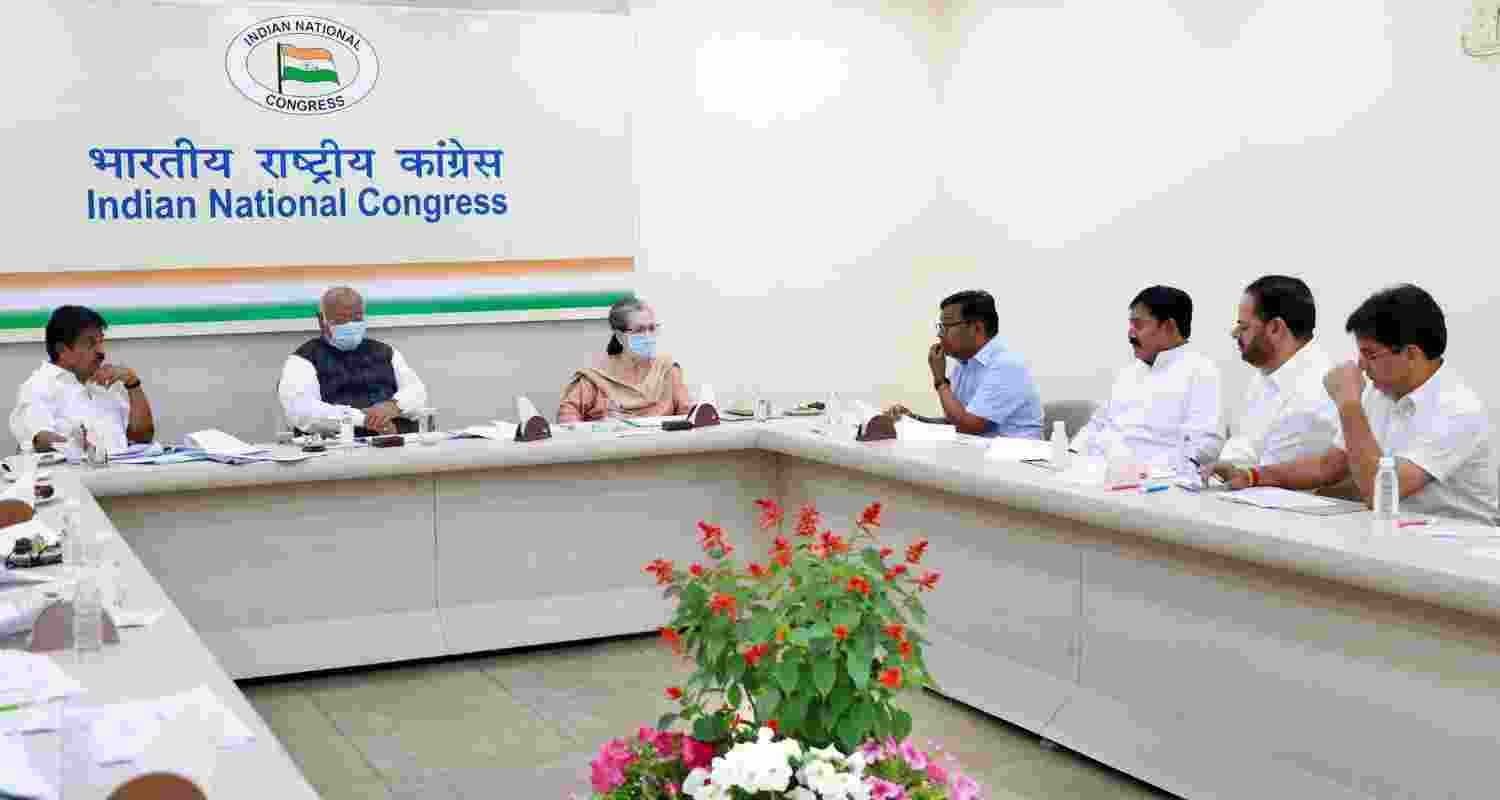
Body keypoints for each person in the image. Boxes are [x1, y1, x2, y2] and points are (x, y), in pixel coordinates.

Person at [1210, 284, 1498, 525]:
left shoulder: (1457, 410)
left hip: (1458, 545)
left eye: (1370, 355)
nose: (1361, 365)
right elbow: (1328, 466)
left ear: (1411, 354)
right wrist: (1254, 476)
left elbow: (1379, 492)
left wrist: (1349, 404)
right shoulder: (1381, 391)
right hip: (1395, 531)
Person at [1072, 285, 1223, 466]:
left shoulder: (1201, 371)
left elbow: (1204, 446)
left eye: (1138, 325)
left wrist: (1142, 469)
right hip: (1093, 470)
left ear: (1169, 327)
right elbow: (1096, 424)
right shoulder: (1129, 372)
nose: (1130, 333)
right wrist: (1072, 453)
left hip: (1151, 478)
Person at [1202, 276, 1338, 475]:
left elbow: (1273, 479)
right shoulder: (1268, 373)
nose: (1234, 333)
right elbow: (1243, 451)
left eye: (1244, 327)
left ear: (1275, 328)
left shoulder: (1314, 389)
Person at [885, 290, 1043, 438]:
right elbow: (955, 422)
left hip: (1017, 456)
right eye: (940, 328)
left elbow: (968, 427)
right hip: (980, 453)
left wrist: (940, 381)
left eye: (946, 327)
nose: (940, 335)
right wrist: (913, 419)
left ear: (977, 328)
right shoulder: (964, 365)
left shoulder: (1006, 366)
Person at [278, 287, 428, 437]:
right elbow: (302, 411)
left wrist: (394, 406)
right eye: (341, 320)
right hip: (339, 444)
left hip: (396, 440)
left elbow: (417, 392)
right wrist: (365, 419)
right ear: (321, 320)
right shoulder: (303, 359)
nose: (350, 324)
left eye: (356, 319)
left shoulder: (387, 352)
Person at [10, 305, 155, 453]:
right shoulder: (39, 386)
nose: (101, 352)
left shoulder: (102, 384)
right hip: (76, 468)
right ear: (62, 350)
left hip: (123, 466)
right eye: (90, 343)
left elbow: (142, 438)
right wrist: (74, 445)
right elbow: (40, 439)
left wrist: (132, 383)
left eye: (101, 342)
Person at [558, 297, 690, 423]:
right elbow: (567, 417)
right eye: (639, 330)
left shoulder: (667, 369)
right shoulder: (595, 377)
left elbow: (688, 415)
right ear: (619, 336)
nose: (648, 336)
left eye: (651, 328)